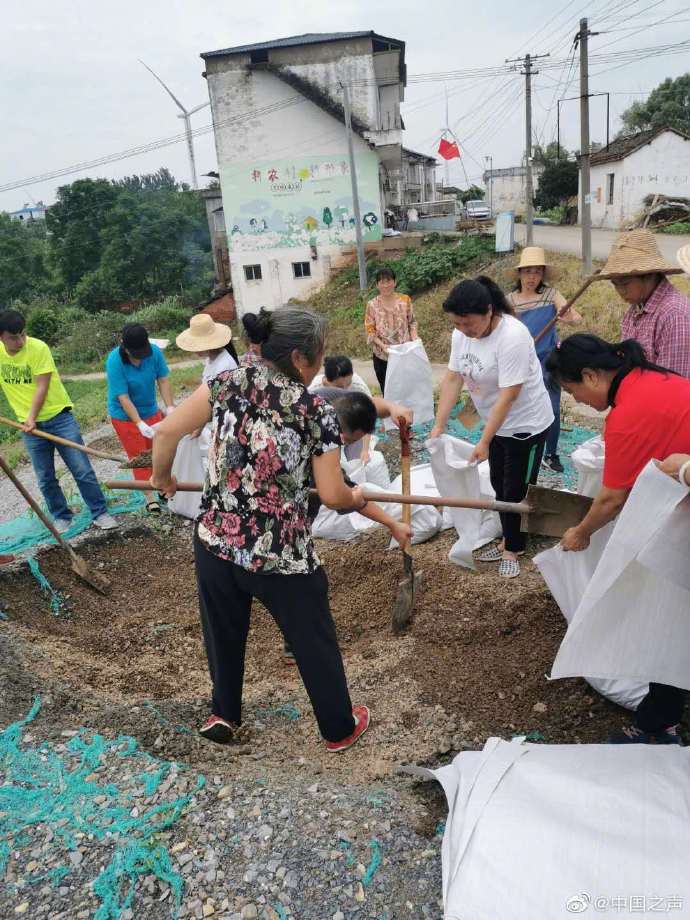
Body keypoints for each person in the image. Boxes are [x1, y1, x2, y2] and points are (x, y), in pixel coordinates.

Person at [151, 307, 401, 753]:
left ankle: (224, 714)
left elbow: (166, 432)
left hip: (215, 541)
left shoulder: (225, 383)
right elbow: (332, 494)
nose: (321, 363)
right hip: (278, 552)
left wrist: (161, 478)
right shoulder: (314, 411)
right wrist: (357, 496)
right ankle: (339, 728)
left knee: (223, 634)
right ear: (301, 358)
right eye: (320, 355)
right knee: (312, 638)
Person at [545, 333, 690, 744]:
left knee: (666, 614)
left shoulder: (627, 415)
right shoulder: (654, 379)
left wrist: (580, 533)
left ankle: (657, 726)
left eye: (572, 390)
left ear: (591, 375)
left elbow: (611, 499)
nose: (576, 400)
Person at [430, 276, 554, 578]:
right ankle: (508, 538)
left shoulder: (512, 336)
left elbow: (509, 395)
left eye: (468, 323)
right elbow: (453, 378)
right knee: (499, 483)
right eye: (457, 324)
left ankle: (514, 547)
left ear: (489, 311)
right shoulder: (461, 335)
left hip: (526, 424)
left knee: (517, 488)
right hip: (496, 422)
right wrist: (439, 424)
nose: (463, 330)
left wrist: (483, 441)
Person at [0, 309, 117, 533]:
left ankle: (100, 512)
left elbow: (42, 386)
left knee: (81, 469)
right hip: (28, 427)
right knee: (45, 477)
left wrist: (32, 417)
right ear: (1, 337)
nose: (20, 341)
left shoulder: (38, 348)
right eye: (13, 337)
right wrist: (29, 421)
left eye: (23, 334)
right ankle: (62, 516)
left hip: (59, 418)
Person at [507, 247, 581, 473]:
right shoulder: (510, 301)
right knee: (519, 405)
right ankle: (521, 447)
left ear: (542, 274)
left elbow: (574, 317)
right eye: (527, 271)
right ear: (519, 273)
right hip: (522, 360)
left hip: (548, 360)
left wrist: (568, 315)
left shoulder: (551, 295)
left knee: (552, 407)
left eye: (537, 272)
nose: (532, 277)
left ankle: (550, 453)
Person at [601, 229, 690, 377]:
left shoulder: (674, 316)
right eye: (615, 284)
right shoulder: (636, 308)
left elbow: (672, 384)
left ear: (649, 276)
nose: (620, 291)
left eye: (625, 284)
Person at [105, 324, 174, 513]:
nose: (140, 357)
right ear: (125, 347)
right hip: (125, 417)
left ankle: (161, 486)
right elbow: (123, 397)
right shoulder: (114, 361)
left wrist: (170, 407)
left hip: (150, 409)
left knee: (158, 452)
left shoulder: (154, 352)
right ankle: (150, 497)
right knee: (139, 456)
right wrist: (138, 423)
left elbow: (163, 380)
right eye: (136, 353)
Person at [310, 356, 374, 463]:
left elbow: (367, 419)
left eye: (348, 384)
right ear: (326, 381)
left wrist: (365, 450)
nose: (344, 390)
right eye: (339, 387)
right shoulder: (314, 389)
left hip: (352, 424)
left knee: (355, 459)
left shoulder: (359, 387)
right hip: (323, 427)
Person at [364, 268, 418, 394]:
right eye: (382, 282)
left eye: (388, 281)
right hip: (382, 356)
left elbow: (412, 322)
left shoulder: (405, 300)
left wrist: (414, 338)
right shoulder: (372, 305)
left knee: (407, 390)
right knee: (388, 391)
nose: (386, 285)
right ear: (377, 285)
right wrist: (383, 346)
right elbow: (370, 330)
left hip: (404, 354)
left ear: (395, 282)